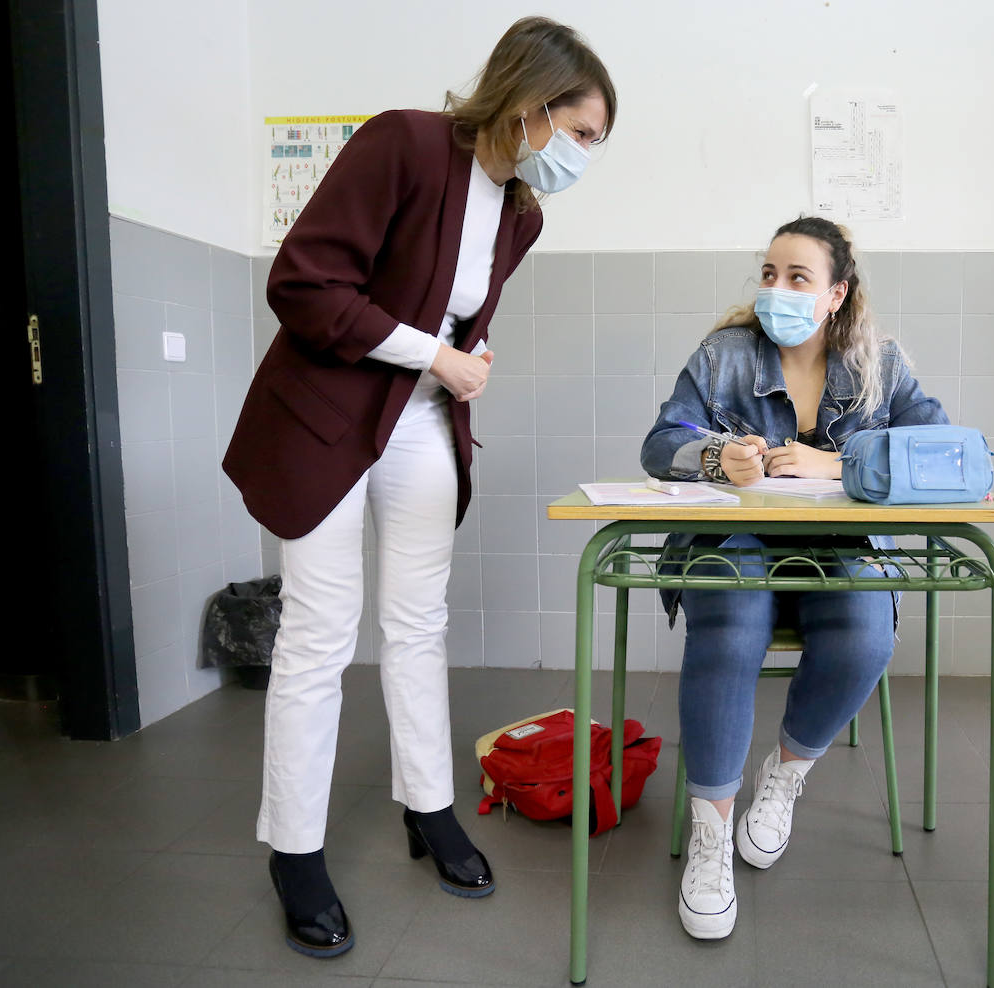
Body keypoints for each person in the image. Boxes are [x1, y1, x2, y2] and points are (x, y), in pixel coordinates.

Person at [222, 17, 615, 959]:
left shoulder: (522, 212)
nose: (586, 157)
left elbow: (455, 314)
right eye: (583, 132)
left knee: (418, 622)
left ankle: (428, 808)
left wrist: (461, 355)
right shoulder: (405, 141)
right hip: (324, 414)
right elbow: (305, 283)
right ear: (530, 103)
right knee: (320, 629)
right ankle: (296, 851)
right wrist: (434, 350)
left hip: (420, 419)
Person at [640, 216, 948, 939]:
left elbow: (938, 449)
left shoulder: (882, 364)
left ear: (837, 293)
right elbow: (662, 444)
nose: (776, 289)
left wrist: (840, 465)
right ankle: (712, 832)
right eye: (769, 274)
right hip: (733, 535)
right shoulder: (724, 356)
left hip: (838, 540)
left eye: (798, 278)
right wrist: (718, 457)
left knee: (867, 632)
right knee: (730, 625)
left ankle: (784, 774)